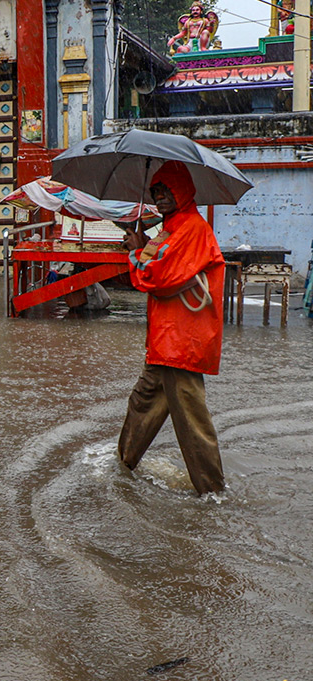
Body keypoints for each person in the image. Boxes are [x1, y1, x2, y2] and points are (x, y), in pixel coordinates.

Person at [118, 161, 226, 495]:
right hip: (165, 341)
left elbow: (156, 277)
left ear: (182, 191)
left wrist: (136, 251)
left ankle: (212, 493)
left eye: (166, 191)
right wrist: (141, 244)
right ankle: (121, 467)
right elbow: (154, 263)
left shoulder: (191, 228)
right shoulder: (171, 228)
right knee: (142, 403)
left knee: (191, 422)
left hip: (182, 342)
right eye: (156, 192)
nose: (161, 198)